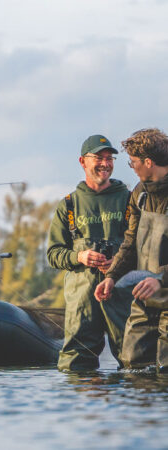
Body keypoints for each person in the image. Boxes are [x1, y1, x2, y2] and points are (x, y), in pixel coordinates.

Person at [47, 135, 131, 371]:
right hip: (82, 303)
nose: (105, 163)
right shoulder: (68, 205)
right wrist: (79, 257)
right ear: (82, 161)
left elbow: (142, 246)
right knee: (75, 366)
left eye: (109, 158)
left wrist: (120, 261)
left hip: (123, 297)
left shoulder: (129, 199)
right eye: (99, 158)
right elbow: (53, 254)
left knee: (135, 361)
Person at [95, 128, 168, 373]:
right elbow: (130, 242)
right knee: (132, 363)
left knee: (165, 368)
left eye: (133, 162)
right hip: (145, 297)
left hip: (163, 288)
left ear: (148, 162)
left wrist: (160, 279)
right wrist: (111, 277)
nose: (132, 167)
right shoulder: (139, 194)